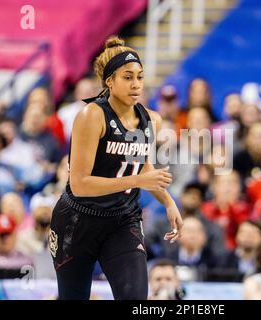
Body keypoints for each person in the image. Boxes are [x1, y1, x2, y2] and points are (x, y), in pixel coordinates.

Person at [50, 36, 183, 300]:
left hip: (122, 221)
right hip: (78, 222)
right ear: (110, 81)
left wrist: (168, 202)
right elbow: (80, 184)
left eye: (140, 77)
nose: (136, 84)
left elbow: (141, 167)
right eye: (128, 77)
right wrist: (136, 182)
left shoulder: (151, 120)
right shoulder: (92, 115)